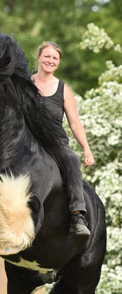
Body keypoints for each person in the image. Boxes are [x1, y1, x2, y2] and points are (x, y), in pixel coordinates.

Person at [32, 41, 94, 236]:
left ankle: (77, 215)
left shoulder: (63, 89)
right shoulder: (24, 83)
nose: (50, 61)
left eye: (55, 58)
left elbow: (75, 123)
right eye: (47, 56)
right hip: (28, 141)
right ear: (39, 58)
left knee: (72, 160)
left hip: (55, 143)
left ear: (58, 62)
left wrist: (86, 148)